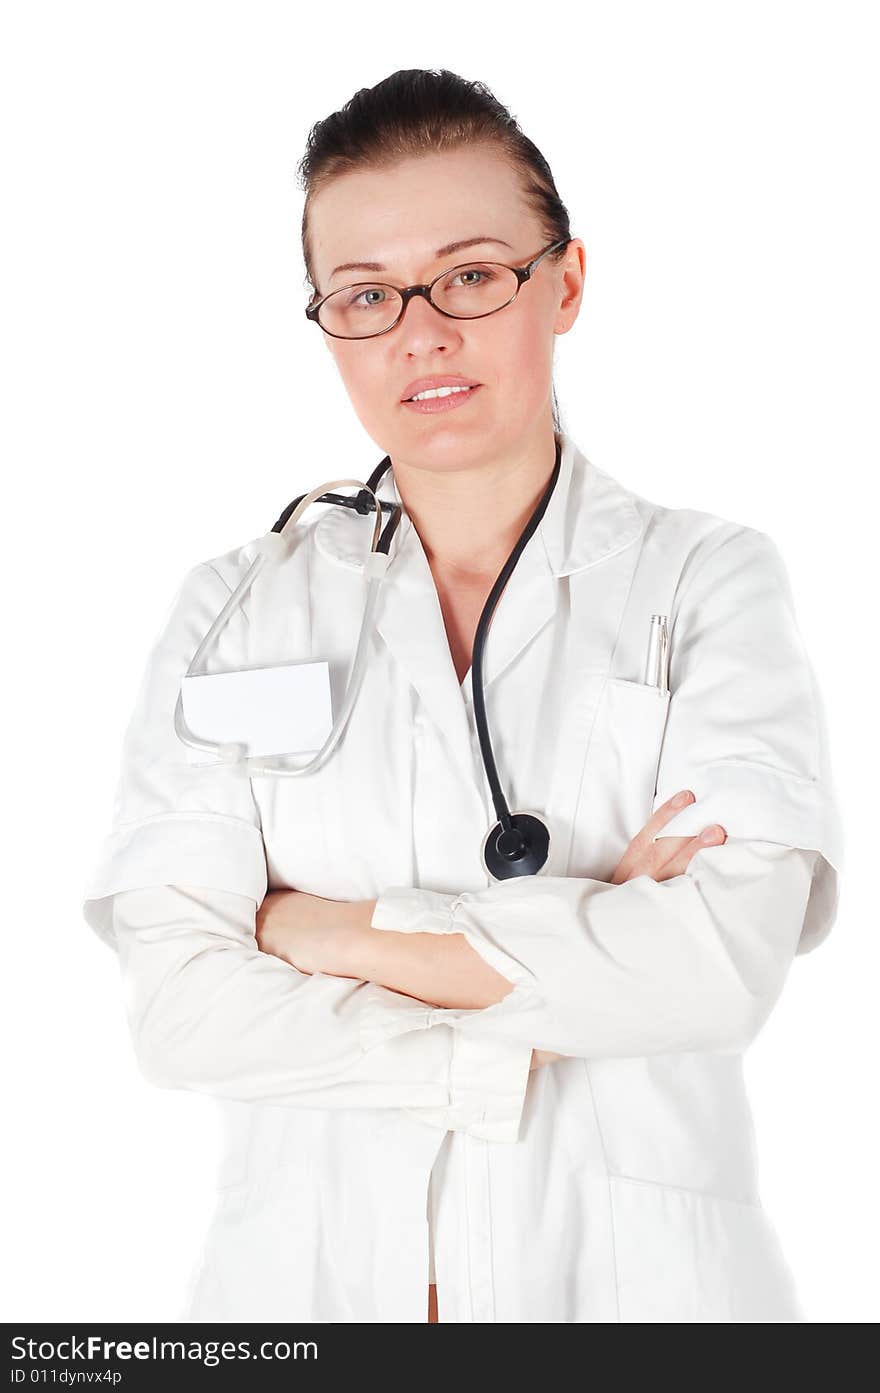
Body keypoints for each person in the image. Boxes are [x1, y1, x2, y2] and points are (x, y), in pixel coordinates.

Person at [82, 68, 844, 1324]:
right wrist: (570, 972)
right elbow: (180, 1012)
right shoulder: (233, 609)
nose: (420, 333)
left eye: (473, 275)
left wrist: (322, 932)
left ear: (567, 282)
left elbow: (715, 967)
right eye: (366, 296)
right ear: (327, 322)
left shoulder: (706, 580)